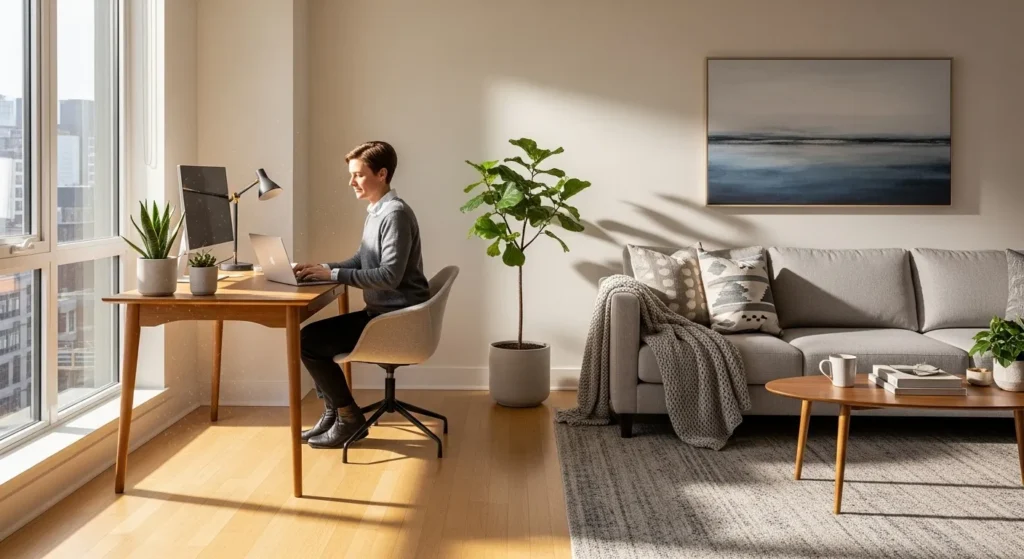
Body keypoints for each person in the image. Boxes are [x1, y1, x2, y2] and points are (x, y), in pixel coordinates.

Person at [293, 141, 430, 449]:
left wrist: (333, 276)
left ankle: (348, 418)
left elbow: (389, 277)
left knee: (308, 342)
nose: (351, 182)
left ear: (382, 174)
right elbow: (361, 260)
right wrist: (323, 267)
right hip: (384, 313)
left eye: (358, 174)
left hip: (397, 319)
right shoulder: (377, 211)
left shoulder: (395, 215)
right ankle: (335, 413)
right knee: (310, 339)